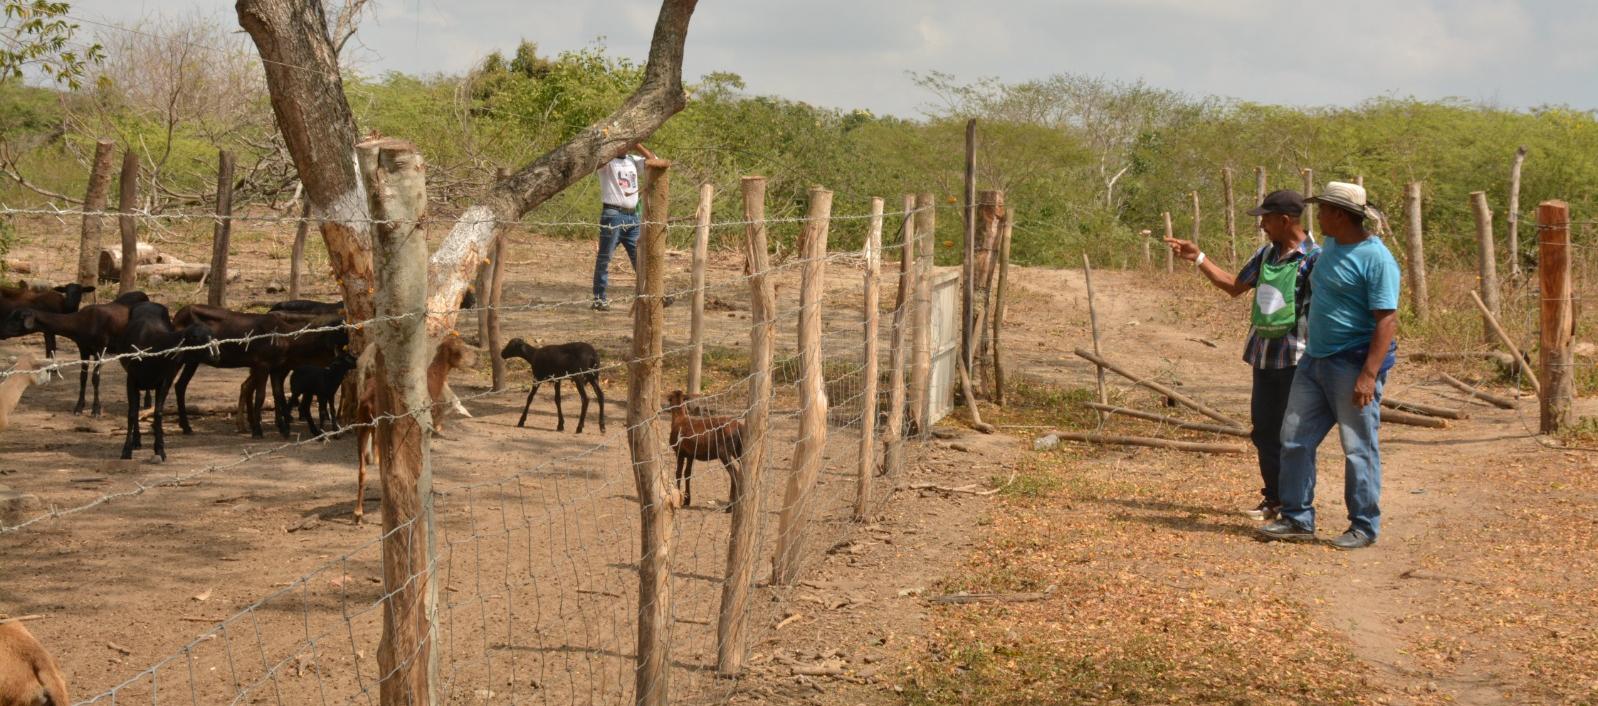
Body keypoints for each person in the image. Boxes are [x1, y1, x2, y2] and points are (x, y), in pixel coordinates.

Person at [1259, 182, 1399, 550]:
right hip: (1314, 361)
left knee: (1357, 447)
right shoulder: (1333, 246)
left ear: (1339, 214)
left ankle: (1364, 526)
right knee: (1293, 439)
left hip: (1351, 365)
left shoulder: (1377, 258)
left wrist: (1368, 375)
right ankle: (1297, 518)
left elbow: (1386, 320)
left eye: (1321, 209)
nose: (1316, 216)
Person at [1165, 190, 1319, 522]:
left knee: (1293, 436)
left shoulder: (1315, 259)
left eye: (1265, 218)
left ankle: (1297, 508)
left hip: (1297, 360)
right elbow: (1235, 286)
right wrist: (1199, 258)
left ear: (1285, 220)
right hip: (1264, 356)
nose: (1262, 224)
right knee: (1263, 431)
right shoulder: (1266, 255)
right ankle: (1274, 499)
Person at [592, 142, 657, 310]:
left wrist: (638, 144)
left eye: (628, 143)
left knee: (639, 257)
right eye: (623, 143)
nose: (625, 146)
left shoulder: (632, 160)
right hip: (613, 214)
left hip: (633, 216)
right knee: (605, 257)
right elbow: (598, 160)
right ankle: (599, 298)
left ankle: (652, 294)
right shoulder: (607, 162)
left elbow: (654, 160)